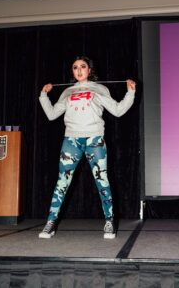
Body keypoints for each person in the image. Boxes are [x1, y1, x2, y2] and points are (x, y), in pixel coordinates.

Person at [38, 56, 136, 239]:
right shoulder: (67, 92)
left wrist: (130, 92)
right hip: (71, 140)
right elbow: (52, 115)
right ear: (73, 71)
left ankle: (109, 221)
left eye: (83, 66)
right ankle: (50, 223)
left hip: (94, 139)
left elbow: (118, 110)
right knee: (62, 182)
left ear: (89, 70)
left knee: (102, 180)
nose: (79, 70)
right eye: (75, 67)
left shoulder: (100, 89)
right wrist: (43, 95)